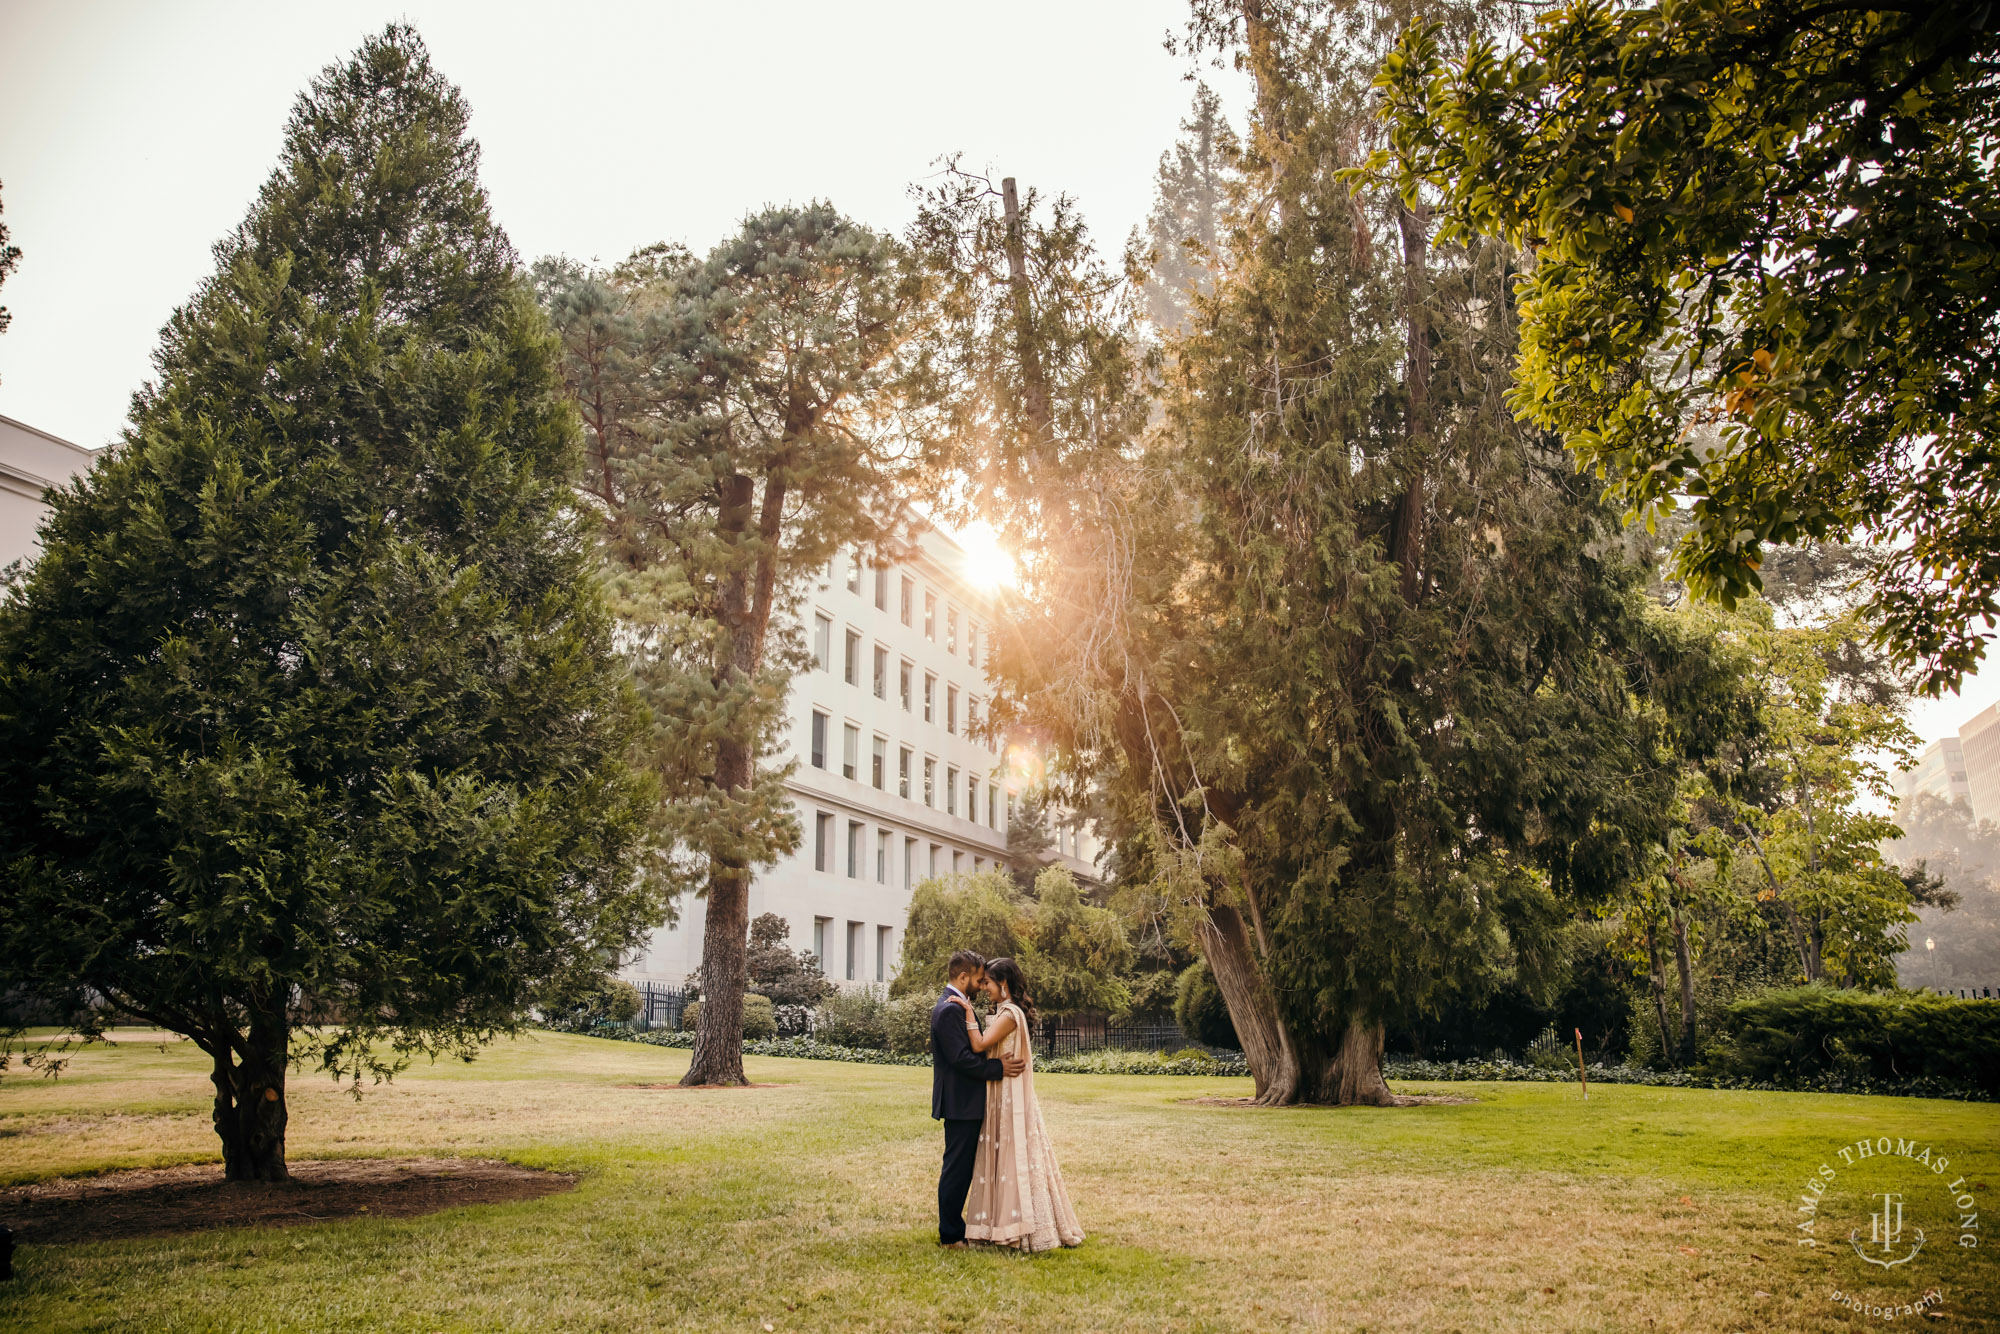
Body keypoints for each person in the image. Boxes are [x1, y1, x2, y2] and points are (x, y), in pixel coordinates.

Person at [953, 955, 1084, 1251]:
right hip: (1000, 1091)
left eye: (988, 982)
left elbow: (980, 1045)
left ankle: (1019, 1226)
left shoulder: (1010, 1014)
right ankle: (999, 1222)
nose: (984, 987)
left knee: (1015, 1154)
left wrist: (967, 1013)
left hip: (1009, 1094)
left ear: (1004, 983)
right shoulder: (1005, 1011)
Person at [932, 950, 1025, 1248]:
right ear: (963, 977)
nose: (981, 983)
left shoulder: (960, 1006)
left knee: (963, 1168)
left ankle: (959, 1229)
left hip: (968, 1101)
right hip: (960, 1103)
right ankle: (950, 1235)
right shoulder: (949, 1010)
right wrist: (998, 1068)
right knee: (956, 1169)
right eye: (978, 978)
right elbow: (960, 1059)